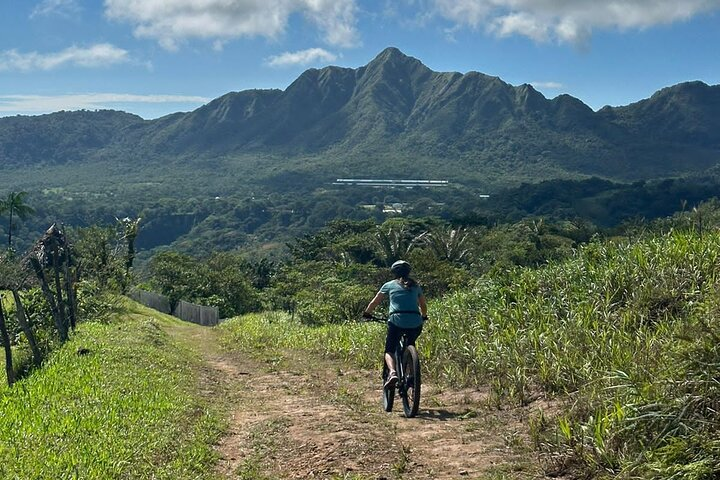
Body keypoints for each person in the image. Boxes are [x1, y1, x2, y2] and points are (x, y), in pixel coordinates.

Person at [363, 260, 428, 388]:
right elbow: (423, 305)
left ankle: (392, 373)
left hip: (396, 320)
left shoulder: (389, 285)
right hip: (415, 322)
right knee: (410, 343)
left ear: (394, 272)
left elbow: (374, 302)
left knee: (389, 350)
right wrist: (424, 316)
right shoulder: (415, 286)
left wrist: (367, 313)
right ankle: (411, 371)